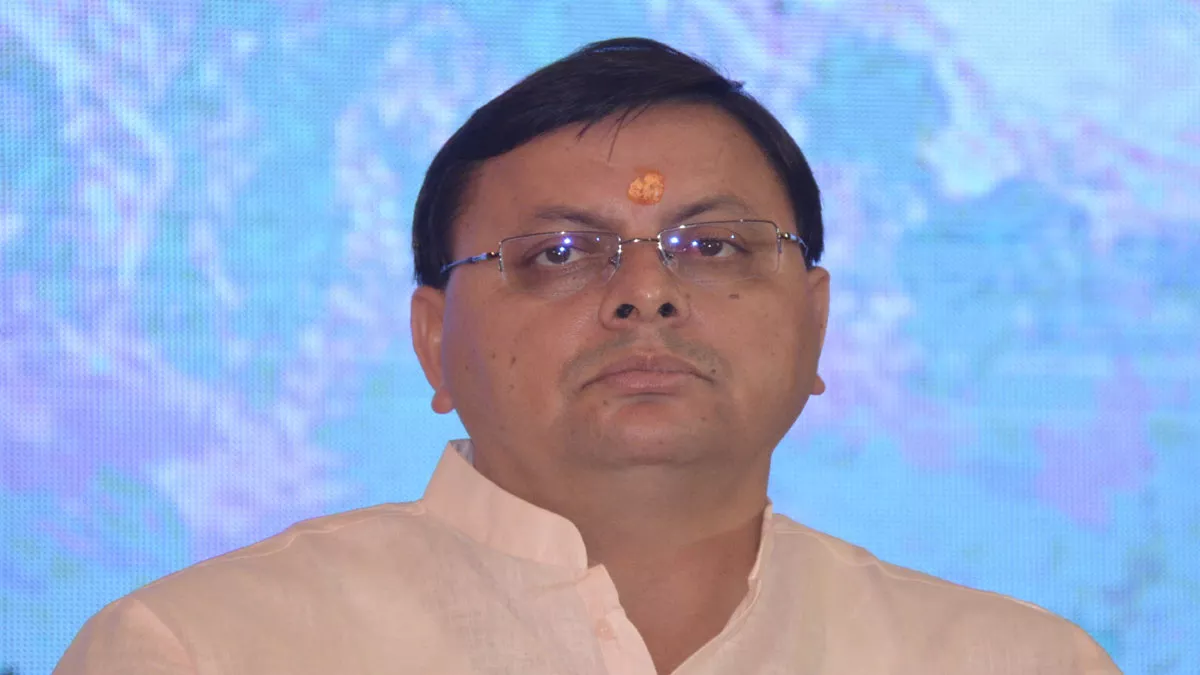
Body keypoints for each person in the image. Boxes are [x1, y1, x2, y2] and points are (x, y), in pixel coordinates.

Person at [56, 37, 1121, 674]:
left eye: (714, 247)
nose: (646, 292)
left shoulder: (1015, 663)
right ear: (433, 343)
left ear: (815, 323)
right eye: (559, 254)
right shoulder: (202, 652)